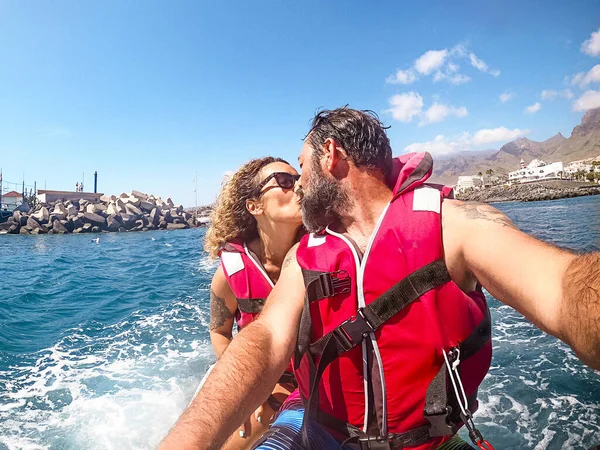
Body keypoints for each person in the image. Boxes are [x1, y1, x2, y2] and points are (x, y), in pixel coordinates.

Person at [159, 108, 600, 450]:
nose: (299, 186)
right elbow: (266, 340)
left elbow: (562, 287)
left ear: (330, 156)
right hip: (318, 430)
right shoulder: (306, 255)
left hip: (431, 441)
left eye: (301, 170)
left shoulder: (458, 227)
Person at [201, 156, 304, 450]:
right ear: (254, 206)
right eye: (285, 181)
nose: (297, 187)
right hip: (269, 376)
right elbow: (220, 332)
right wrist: (246, 388)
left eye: (300, 180)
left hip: (321, 375)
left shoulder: (329, 252)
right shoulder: (229, 274)